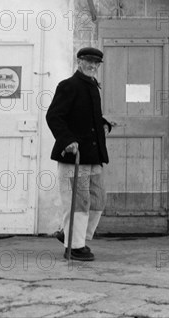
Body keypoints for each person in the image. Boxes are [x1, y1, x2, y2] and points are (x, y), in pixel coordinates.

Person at [46, 47, 112, 261]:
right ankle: (74, 247)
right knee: (78, 202)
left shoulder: (92, 86)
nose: (92, 66)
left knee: (98, 200)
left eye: (96, 63)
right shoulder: (69, 85)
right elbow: (54, 116)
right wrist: (68, 140)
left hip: (93, 156)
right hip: (74, 157)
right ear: (79, 62)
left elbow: (88, 118)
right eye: (88, 61)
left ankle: (70, 234)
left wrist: (105, 124)